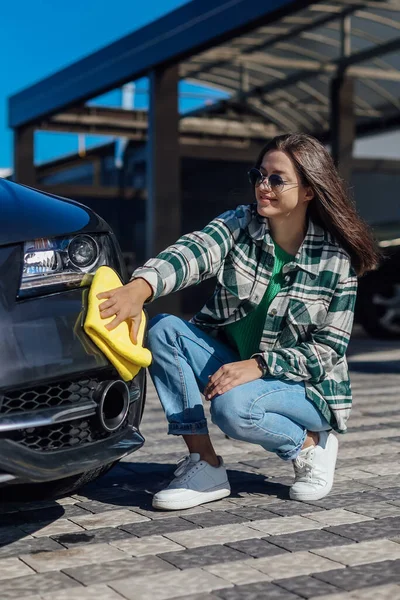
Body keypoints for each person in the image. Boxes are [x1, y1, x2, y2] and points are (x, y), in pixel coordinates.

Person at [97, 133, 379, 510]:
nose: (263, 186)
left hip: (305, 390)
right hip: (236, 368)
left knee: (233, 409)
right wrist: (140, 287)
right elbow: (194, 251)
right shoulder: (240, 225)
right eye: (259, 175)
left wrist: (260, 365)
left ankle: (311, 444)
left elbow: (328, 350)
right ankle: (205, 464)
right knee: (164, 329)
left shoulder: (334, 261)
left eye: (277, 179)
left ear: (309, 190)